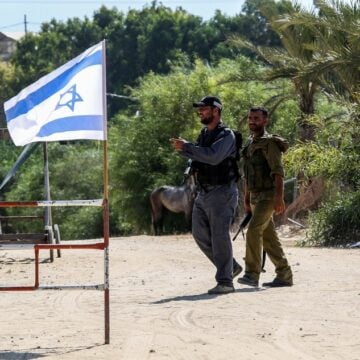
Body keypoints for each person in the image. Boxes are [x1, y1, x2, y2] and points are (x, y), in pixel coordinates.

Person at [170, 95, 242, 295]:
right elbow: (199, 156)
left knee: (219, 236)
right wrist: (188, 156)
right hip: (204, 192)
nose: (200, 111)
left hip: (222, 192)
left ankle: (226, 281)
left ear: (216, 111)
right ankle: (231, 267)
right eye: (199, 109)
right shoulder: (204, 134)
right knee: (200, 234)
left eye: (204, 108)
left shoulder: (227, 136)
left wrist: (186, 148)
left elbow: (213, 157)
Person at [237, 106, 293, 288]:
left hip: (268, 197)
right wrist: (246, 200)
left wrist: (279, 198)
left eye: (256, 118)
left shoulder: (270, 143)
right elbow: (247, 176)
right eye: (250, 118)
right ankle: (284, 275)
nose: (252, 121)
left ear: (265, 121)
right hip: (254, 197)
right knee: (268, 237)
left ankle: (251, 274)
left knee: (253, 230)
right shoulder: (250, 144)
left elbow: (278, 172)